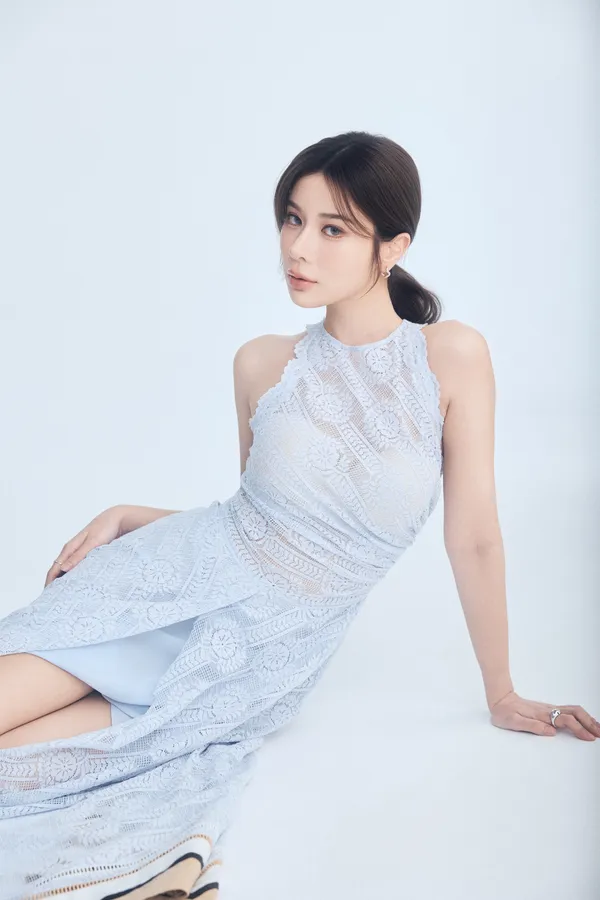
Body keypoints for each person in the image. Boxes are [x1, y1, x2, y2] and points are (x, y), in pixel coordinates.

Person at [0, 130, 597, 899]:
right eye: (292, 218)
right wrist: (129, 514)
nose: (298, 246)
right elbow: (254, 518)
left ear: (393, 247)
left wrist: (502, 691)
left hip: (259, 654)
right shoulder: (261, 361)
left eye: (332, 228)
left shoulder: (451, 356)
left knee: (25, 772)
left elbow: (475, 537)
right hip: (155, 584)